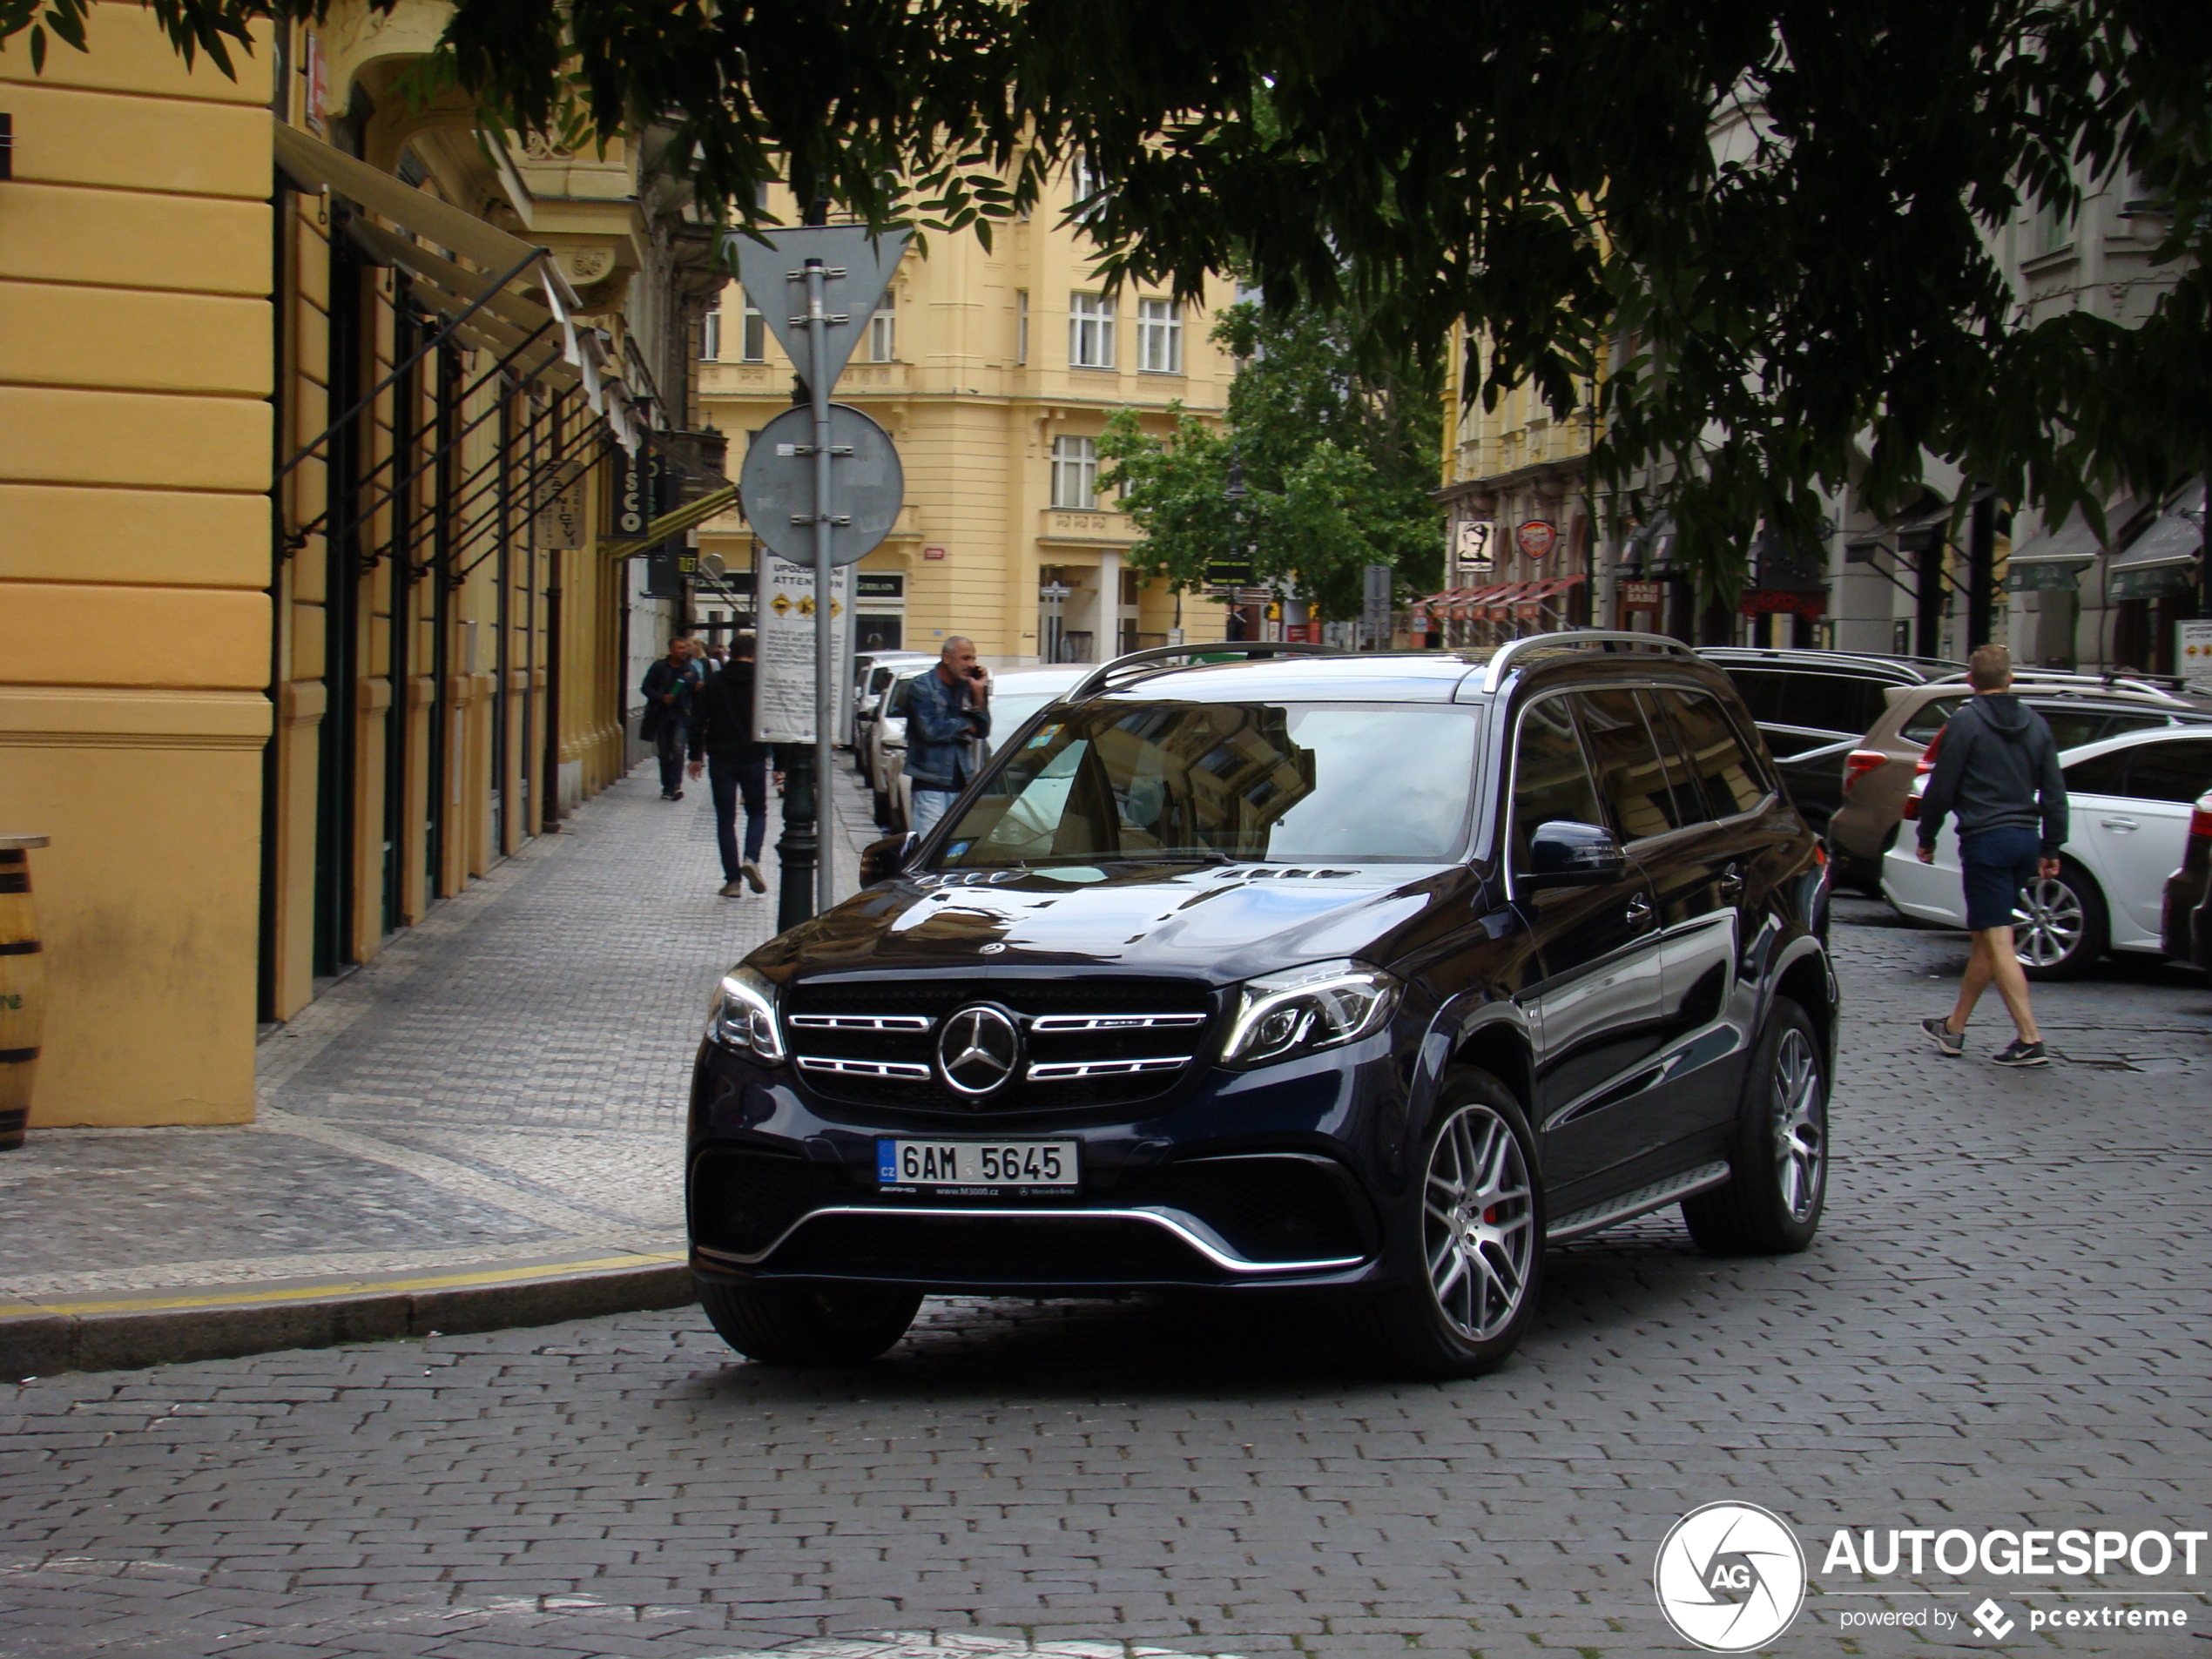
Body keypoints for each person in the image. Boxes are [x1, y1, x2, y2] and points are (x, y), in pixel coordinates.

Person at [1916, 642, 2068, 1067]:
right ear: (2010, 679)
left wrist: (1927, 835)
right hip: (2026, 839)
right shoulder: (2036, 724)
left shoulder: (1964, 724)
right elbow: (2054, 791)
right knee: (1986, 937)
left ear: (1970, 680)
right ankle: (1954, 1028)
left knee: (1997, 939)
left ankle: (2029, 1037)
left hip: (1986, 839)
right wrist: (2052, 844)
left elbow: (1941, 787)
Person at [686, 634, 773, 897]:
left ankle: (732, 881)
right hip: (754, 757)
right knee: (757, 812)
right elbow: (774, 724)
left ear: (730, 654)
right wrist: (781, 763)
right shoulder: (761, 684)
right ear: (753, 654)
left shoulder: (714, 682)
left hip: (721, 758)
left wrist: (695, 756)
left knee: (726, 820)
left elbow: (698, 720)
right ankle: (751, 858)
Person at [902, 636, 992, 835]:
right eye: (965, 658)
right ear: (947, 658)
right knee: (928, 842)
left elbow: (983, 730)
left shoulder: (968, 687)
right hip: (931, 781)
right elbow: (931, 730)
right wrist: (966, 724)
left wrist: (979, 692)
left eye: (973, 659)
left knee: (953, 848)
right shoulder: (922, 687)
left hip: (963, 781)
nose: (971, 664)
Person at [639, 636, 702, 801]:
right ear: (671, 650)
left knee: (678, 748)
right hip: (661, 714)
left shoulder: (690, 670)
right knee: (665, 752)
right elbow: (645, 688)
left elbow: (695, 694)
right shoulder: (659, 667)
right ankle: (667, 785)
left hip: (681, 715)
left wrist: (698, 689)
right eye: (680, 648)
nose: (684, 651)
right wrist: (661, 697)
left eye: (685, 648)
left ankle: (675, 786)